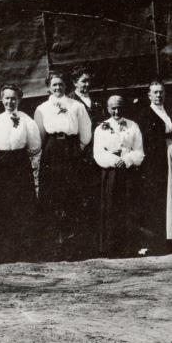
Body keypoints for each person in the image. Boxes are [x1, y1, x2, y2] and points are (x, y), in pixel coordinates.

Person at [34, 71, 93, 259]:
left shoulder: (76, 106)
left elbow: (85, 131)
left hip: (71, 150)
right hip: (52, 151)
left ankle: (73, 246)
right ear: (48, 87)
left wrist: (78, 148)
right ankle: (54, 245)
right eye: (54, 85)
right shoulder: (42, 108)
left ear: (66, 86)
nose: (58, 88)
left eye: (60, 84)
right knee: (52, 195)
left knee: (72, 196)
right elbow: (39, 137)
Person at [135, 81, 172, 254]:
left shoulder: (169, 113)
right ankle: (158, 242)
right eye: (155, 92)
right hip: (156, 161)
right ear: (149, 95)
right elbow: (146, 139)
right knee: (159, 198)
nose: (159, 95)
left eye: (161, 92)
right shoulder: (145, 114)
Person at [0, 84, 42, 259]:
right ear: (1, 99)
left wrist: (21, 156)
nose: (9, 102)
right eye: (7, 98)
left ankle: (24, 250)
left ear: (19, 100)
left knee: (22, 205)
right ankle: (4, 250)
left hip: (19, 164)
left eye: (13, 98)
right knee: (3, 204)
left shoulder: (27, 120)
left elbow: (35, 146)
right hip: (1, 165)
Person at [92, 95, 145, 257]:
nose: (116, 111)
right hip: (111, 171)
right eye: (113, 108)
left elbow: (139, 150)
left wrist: (126, 160)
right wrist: (115, 161)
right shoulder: (101, 127)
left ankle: (129, 247)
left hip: (128, 170)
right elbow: (98, 152)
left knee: (129, 206)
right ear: (108, 109)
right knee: (110, 207)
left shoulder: (133, 125)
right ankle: (110, 248)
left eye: (119, 107)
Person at [68, 66, 103, 255]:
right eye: (83, 81)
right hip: (80, 155)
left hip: (96, 153)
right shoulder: (71, 102)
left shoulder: (96, 103)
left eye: (89, 81)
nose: (87, 85)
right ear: (74, 83)